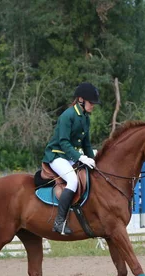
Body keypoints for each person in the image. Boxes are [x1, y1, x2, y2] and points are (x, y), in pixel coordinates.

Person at [42, 82, 100, 235]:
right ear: (81, 100)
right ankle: (59, 222)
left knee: (90, 176)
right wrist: (80, 157)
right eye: (91, 102)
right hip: (57, 155)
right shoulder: (68, 115)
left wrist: (93, 161)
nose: (93, 105)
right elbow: (63, 142)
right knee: (73, 181)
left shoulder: (85, 118)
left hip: (70, 157)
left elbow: (86, 144)